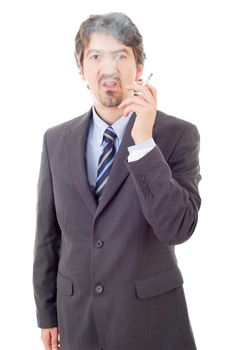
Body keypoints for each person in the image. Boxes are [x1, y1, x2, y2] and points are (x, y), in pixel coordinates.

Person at [33, 12, 202, 350]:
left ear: (138, 68)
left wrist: (143, 143)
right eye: (95, 56)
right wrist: (46, 312)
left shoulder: (178, 135)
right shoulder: (56, 140)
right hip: (77, 318)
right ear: (82, 70)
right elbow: (48, 234)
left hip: (151, 322)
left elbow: (178, 229)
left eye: (119, 56)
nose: (107, 68)